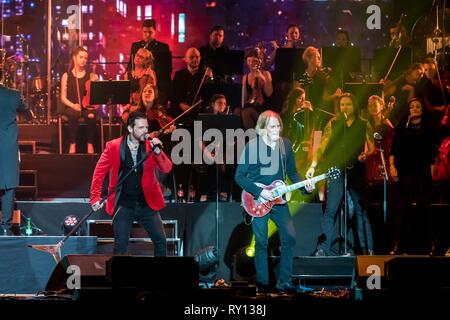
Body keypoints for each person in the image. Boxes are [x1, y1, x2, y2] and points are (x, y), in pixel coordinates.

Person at [235, 110, 315, 293]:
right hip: (258, 201)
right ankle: (263, 284)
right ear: (262, 128)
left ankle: (284, 282)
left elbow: (293, 173)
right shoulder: (252, 147)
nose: (277, 129)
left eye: (278, 125)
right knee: (261, 242)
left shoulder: (284, 145)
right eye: (273, 126)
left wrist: (305, 187)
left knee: (290, 237)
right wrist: (259, 191)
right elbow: (239, 177)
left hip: (279, 201)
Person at [90, 111, 172, 254]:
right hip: (124, 202)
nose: (145, 131)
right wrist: (95, 197)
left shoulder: (151, 146)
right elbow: (99, 172)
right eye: (141, 128)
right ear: (130, 128)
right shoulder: (113, 146)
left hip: (146, 203)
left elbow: (167, 168)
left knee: (160, 241)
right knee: (120, 246)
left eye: (146, 127)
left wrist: (158, 152)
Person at [306, 94, 375, 256]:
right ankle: (324, 248)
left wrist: (366, 155)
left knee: (360, 210)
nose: (345, 107)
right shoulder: (334, 124)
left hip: (356, 170)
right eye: (342, 104)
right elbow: (322, 147)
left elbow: (371, 147)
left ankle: (367, 248)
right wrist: (313, 166)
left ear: (354, 106)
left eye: (348, 104)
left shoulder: (364, 123)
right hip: (337, 169)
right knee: (331, 208)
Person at [389, 98, 437, 255]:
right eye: (412, 107)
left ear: (422, 109)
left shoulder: (429, 126)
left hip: (422, 171)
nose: (415, 108)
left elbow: (432, 150)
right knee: (402, 208)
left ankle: (430, 244)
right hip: (405, 170)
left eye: (418, 106)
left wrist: (432, 168)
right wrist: (392, 166)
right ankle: (397, 245)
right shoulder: (402, 126)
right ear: (408, 110)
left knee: (425, 207)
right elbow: (394, 149)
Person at [0, 84, 31, 235]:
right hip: (7, 144)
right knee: (9, 184)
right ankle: (6, 225)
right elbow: (28, 113)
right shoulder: (14, 95)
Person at [60, 46, 99, 154]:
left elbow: (95, 95)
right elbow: (62, 97)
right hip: (72, 106)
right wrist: (73, 105)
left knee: (91, 115)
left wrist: (96, 81)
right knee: (74, 114)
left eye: (86, 58)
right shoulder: (66, 75)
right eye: (81, 57)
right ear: (74, 58)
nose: (84, 60)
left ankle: (90, 143)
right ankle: (72, 144)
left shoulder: (90, 75)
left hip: (87, 106)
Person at [127, 19, 171, 106]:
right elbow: (130, 66)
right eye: (144, 32)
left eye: (150, 32)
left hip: (157, 88)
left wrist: (158, 90)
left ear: (155, 32)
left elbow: (167, 71)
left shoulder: (163, 48)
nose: (147, 35)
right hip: (137, 88)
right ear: (142, 31)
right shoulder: (135, 46)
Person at [241, 50, 273, 129]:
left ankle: (253, 139)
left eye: (254, 61)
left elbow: (269, 93)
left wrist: (262, 78)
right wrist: (242, 107)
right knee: (239, 112)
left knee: (246, 113)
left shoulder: (265, 74)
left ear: (259, 62)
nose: (251, 63)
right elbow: (244, 97)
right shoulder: (245, 77)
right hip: (250, 104)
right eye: (249, 61)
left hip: (263, 106)